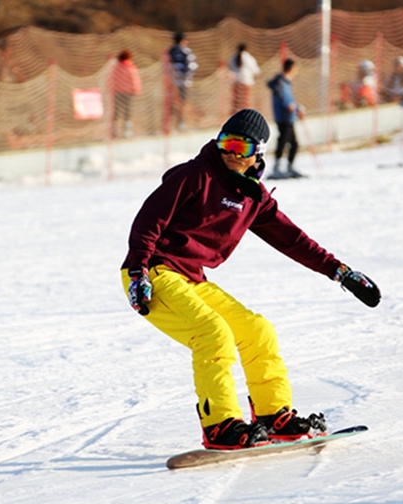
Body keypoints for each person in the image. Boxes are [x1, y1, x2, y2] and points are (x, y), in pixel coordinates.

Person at [120, 108, 381, 450]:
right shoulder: (194, 175)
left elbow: (293, 240)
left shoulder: (253, 198)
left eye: (241, 148)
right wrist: (139, 270)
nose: (230, 153)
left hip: (191, 279)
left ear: (257, 153)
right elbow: (147, 222)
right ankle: (220, 425)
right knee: (212, 334)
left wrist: (340, 271)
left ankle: (274, 416)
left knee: (258, 331)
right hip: (154, 272)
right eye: (226, 143)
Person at [267, 59, 306, 179]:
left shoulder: (286, 82)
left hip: (289, 118)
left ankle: (289, 167)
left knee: (294, 144)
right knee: (283, 142)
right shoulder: (280, 82)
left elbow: (289, 100)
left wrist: (297, 108)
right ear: (291, 68)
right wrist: (291, 107)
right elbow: (284, 99)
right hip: (283, 118)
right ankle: (276, 169)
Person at [168, 32, 198, 131]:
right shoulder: (186, 51)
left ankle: (172, 123)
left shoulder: (170, 51)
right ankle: (181, 122)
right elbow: (192, 66)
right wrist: (187, 77)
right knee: (183, 102)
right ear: (182, 40)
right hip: (183, 82)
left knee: (173, 102)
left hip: (171, 81)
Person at [110, 50, 142, 138]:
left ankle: (114, 131)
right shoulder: (130, 67)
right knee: (127, 112)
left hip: (117, 92)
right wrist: (136, 89)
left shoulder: (115, 67)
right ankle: (126, 131)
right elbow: (134, 79)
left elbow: (111, 79)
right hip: (127, 93)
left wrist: (111, 90)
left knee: (116, 113)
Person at [227, 43, 261, 114]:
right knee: (245, 103)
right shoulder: (249, 58)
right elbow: (256, 71)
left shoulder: (233, 58)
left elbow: (230, 67)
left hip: (236, 82)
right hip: (246, 82)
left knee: (236, 104)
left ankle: (233, 119)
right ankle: (245, 119)